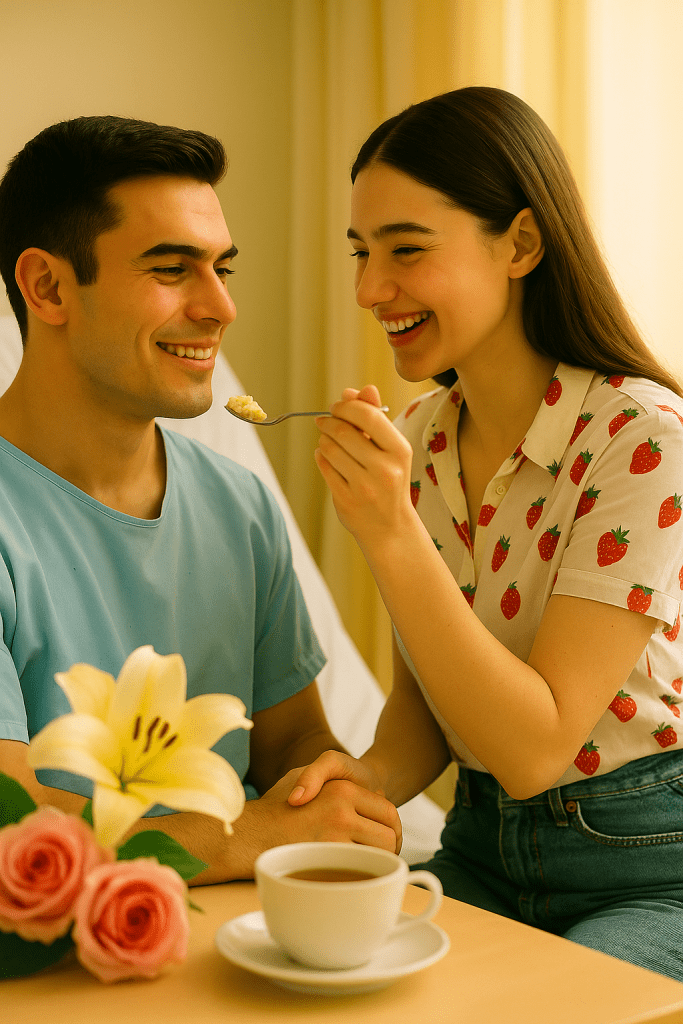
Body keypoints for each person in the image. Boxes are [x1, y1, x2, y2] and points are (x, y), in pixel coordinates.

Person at [288, 88, 683, 980]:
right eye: (360, 252)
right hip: (479, 849)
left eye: (406, 249)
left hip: (649, 865)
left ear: (521, 244)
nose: (367, 289)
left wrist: (389, 534)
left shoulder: (643, 440)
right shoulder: (422, 434)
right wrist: (358, 785)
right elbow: (430, 706)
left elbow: (535, 747)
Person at [0, 115, 401, 883]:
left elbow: (292, 743)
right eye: (170, 269)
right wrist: (244, 835)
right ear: (47, 286)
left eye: (223, 269)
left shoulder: (238, 504)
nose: (220, 307)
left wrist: (333, 793)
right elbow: (11, 826)